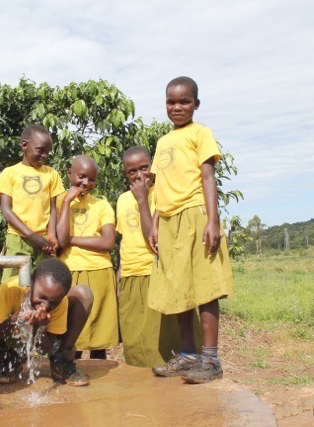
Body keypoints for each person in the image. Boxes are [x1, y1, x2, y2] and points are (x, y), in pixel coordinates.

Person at [148, 76, 234, 383]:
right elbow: (159, 187)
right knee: (178, 287)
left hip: (195, 213)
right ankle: (186, 355)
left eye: (185, 101)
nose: (177, 107)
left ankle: (210, 359)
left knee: (205, 287)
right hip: (169, 221)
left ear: (196, 104)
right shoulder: (161, 142)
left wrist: (212, 220)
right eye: (171, 101)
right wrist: (155, 223)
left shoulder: (201, 133)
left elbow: (207, 176)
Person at [116, 146, 194, 368]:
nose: (140, 175)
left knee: (159, 339)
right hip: (131, 275)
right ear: (125, 173)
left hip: (155, 272)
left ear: (153, 166)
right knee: (134, 340)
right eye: (132, 172)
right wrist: (120, 273)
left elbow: (153, 241)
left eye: (144, 168)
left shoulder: (163, 193)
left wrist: (142, 201)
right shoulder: (122, 200)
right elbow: (126, 239)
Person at [0, 258, 93, 386]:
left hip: (34, 341)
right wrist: (14, 320)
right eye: (41, 297)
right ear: (31, 281)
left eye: (53, 303)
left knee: (84, 292)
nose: (45, 306)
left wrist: (39, 326)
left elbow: (43, 350)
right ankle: (10, 358)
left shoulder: (60, 303)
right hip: (7, 337)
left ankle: (61, 361)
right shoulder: (11, 289)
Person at [56, 155, 118, 360]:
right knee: (73, 337)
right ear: (69, 174)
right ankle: (71, 374)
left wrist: (71, 240)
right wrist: (66, 201)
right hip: (70, 272)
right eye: (81, 177)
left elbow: (108, 242)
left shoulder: (102, 206)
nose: (86, 183)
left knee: (99, 340)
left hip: (100, 272)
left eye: (91, 179)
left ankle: (99, 385)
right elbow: (60, 238)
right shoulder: (58, 202)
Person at [0, 125, 65, 282]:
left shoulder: (52, 174)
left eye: (47, 152)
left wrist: (51, 234)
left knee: (44, 284)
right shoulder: (10, 173)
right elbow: (6, 210)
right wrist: (31, 235)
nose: (44, 155)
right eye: (40, 150)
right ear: (24, 145)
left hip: (44, 242)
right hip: (18, 238)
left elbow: (53, 209)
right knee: (12, 285)